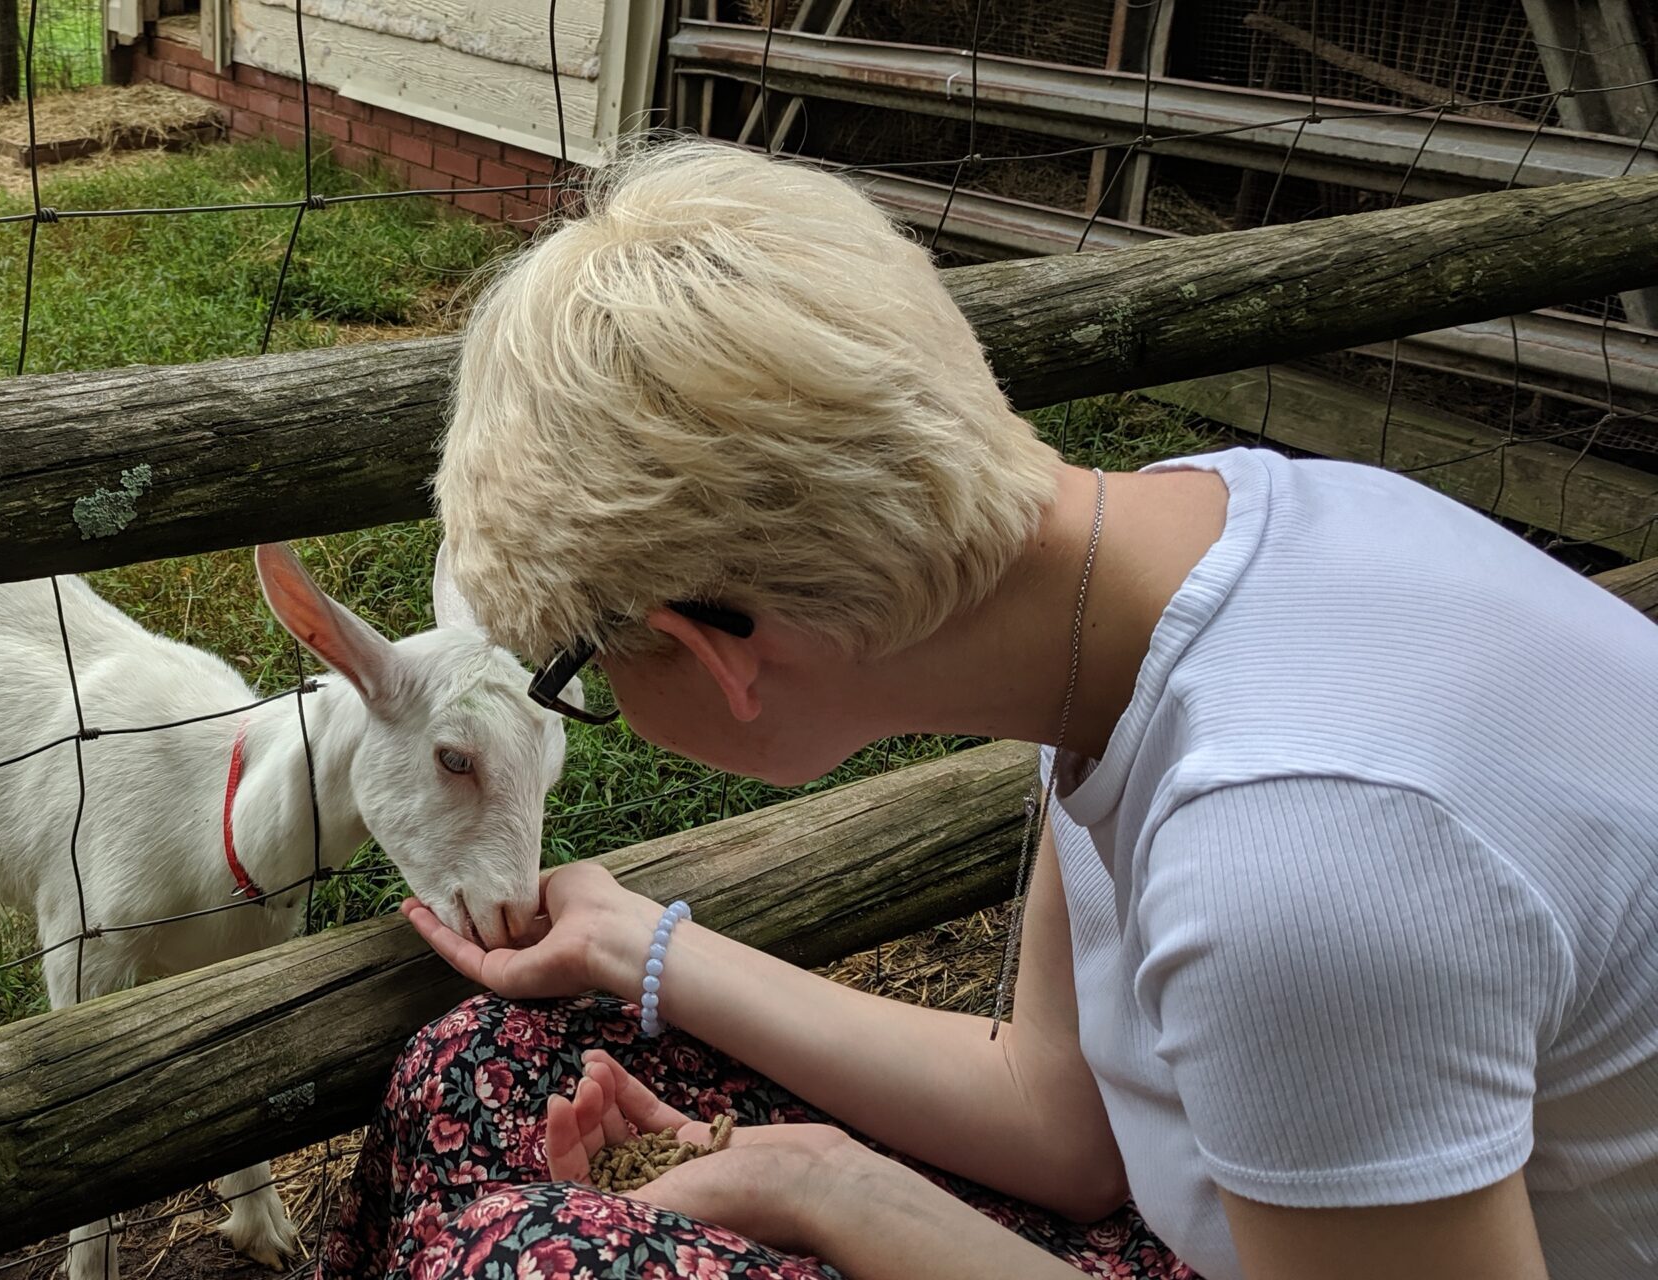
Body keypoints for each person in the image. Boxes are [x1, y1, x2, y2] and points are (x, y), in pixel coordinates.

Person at [316, 138, 1658, 1280]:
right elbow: (1067, 1121)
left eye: (582, 676)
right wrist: (634, 945)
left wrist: (830, 1193)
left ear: (714, 650)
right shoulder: (1167, 565)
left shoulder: (1292, 861)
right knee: (484, 1066)